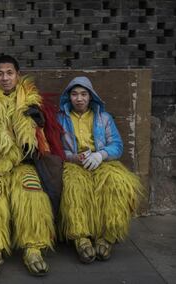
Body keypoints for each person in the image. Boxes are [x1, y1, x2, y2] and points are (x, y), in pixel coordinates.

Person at [0, 55, 64, 276]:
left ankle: (33, 248)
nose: (5, 78)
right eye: (1, 73)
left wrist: (36, 126)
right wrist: (2, 157)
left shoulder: (31, 99)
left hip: (23, 161)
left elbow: (45, 140)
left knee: (31, 190)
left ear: (18, 75)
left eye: (10, 73)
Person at [57, 76, 143, 263]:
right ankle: (81, 238)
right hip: (75, 164)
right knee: (74, 187)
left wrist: (100, 155)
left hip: (102, 162)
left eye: (83, 94)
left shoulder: (103, 118)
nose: (79, 98)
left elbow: (117, 146)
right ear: (68, 97)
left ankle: (107, 237)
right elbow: (56, 148)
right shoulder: (61, 119)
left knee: (116, 184)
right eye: (74, 94)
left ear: (91, 96)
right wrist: (74, 157)